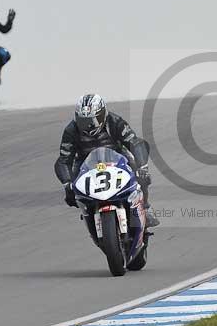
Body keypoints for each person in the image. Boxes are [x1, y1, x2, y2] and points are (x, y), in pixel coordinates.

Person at [54, 94, 160, 227]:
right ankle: (89, 212)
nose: (88, 126)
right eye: (83, 121)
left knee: (140, 174)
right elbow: (64, 159)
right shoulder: (71, 130)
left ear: (103, 114)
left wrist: (142, 167)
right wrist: (67, 184)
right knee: (73, 192)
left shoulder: (114, 122)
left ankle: (144, 206)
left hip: (117, 158)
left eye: (93, 120)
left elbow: (135, 143)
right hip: (85, 164)